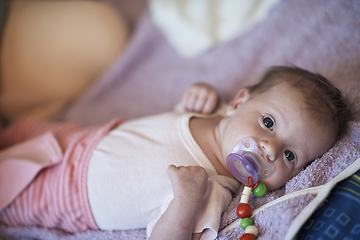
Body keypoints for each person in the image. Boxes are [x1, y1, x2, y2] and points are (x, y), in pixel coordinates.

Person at [0, 66, 352, 240]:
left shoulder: (213, 188)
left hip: (68, 194)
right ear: (239, 102)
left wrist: (185, 198)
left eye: (291, 156)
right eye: (269, 122)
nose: (271, 148)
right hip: (83, 139)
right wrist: (191, 101)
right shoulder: (212, 116)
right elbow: (170, 130)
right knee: (21, 129)